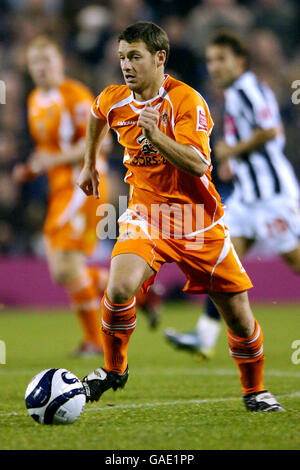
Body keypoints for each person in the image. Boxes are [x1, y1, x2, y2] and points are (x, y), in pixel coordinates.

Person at [78, 21, 284, 412]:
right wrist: (89, 163)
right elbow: (96, 114)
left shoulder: (187, 102)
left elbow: (198, 162)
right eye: (122, 57)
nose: (126, 65)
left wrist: (156, 137)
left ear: (159, 58)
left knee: (239, 319)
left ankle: (254, 391)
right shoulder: (114, 99)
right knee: (119, 288)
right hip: (147, 216)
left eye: (134, 56)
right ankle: (113, 370)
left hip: (199, 224)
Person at [165, 31, 300, 359]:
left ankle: (205, 336)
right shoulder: (237, 92)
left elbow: (271, 131)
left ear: (239, 61)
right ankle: (204, 337)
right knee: (222, 262)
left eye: (221, 59)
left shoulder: (247, 89)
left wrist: (230, 150)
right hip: (247, 197)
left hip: (272, 196)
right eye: (210, 60)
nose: (214, 67)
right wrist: (233, 162)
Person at [13, 36, 111, 357]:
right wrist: (31, 168)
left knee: (67, 266)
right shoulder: (33, 100)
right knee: (61, 271)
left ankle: (94, 343)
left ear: (60, 62)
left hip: (84, 186)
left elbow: (102, 144)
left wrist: (53, 161)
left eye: (47, 60)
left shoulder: (76, 95)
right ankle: (132, 291)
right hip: (60, 189)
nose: (42, 68)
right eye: (36, 62)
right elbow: (48, 149)